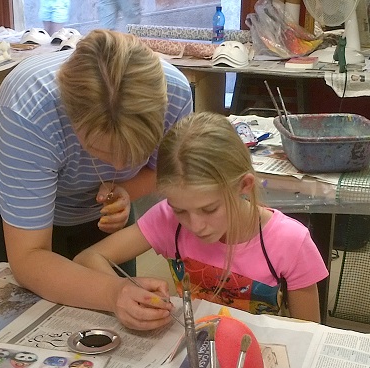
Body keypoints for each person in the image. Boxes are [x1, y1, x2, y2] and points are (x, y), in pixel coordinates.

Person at [0, 29, 193, 331]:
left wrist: (127, 189)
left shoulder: (176, 94)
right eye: (101, 151)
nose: (120, 166)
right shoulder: (30, 110)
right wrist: (113, 292)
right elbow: (28, 258)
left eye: (137, 151)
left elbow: (164, 171)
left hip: (98, 212)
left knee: (118, 317)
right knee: (32, 317)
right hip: (18, 209)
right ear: (70, 118)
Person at [74, 112, 329, 324]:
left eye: (209, 209)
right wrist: (124, 291)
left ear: (244, 185)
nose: (195, 226)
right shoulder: (167, 219)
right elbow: (87, 258)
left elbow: (309, 334)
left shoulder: (290, 242)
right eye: (180, 210)